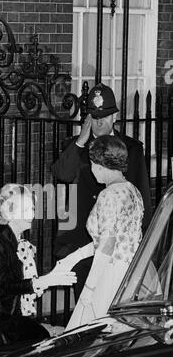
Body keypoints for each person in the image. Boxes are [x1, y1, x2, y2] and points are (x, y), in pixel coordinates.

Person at [52, 82, 152, 302]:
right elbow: (62, 174)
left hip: (118, 248)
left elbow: (142, 195)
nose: (99, 123)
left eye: (104, 117)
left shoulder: (131, 148)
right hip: (82, 239)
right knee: (85, 303)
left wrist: (144, 243)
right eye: (94, 117)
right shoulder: (77, 146)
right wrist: (80, 141)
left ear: (114, 117)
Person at [0, 183, 77, 353]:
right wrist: (46, 280)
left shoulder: (18, 239)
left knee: (43, 341)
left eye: (32, 208)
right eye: (24, 210)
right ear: (8, 212)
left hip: (5, 316)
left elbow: (23, 284)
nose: (31, 214)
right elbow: (8, 286)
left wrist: (57, 273)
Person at [62, 135, 144, 330]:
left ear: (100, 165)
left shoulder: (108, 195)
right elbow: (115, 240)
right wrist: (74, 257)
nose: (91, 170)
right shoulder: (133, 191)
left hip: (109, 274)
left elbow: (107, 246)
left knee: (88, 333)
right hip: (131, 274)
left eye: (92, 164)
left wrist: (90, 287)